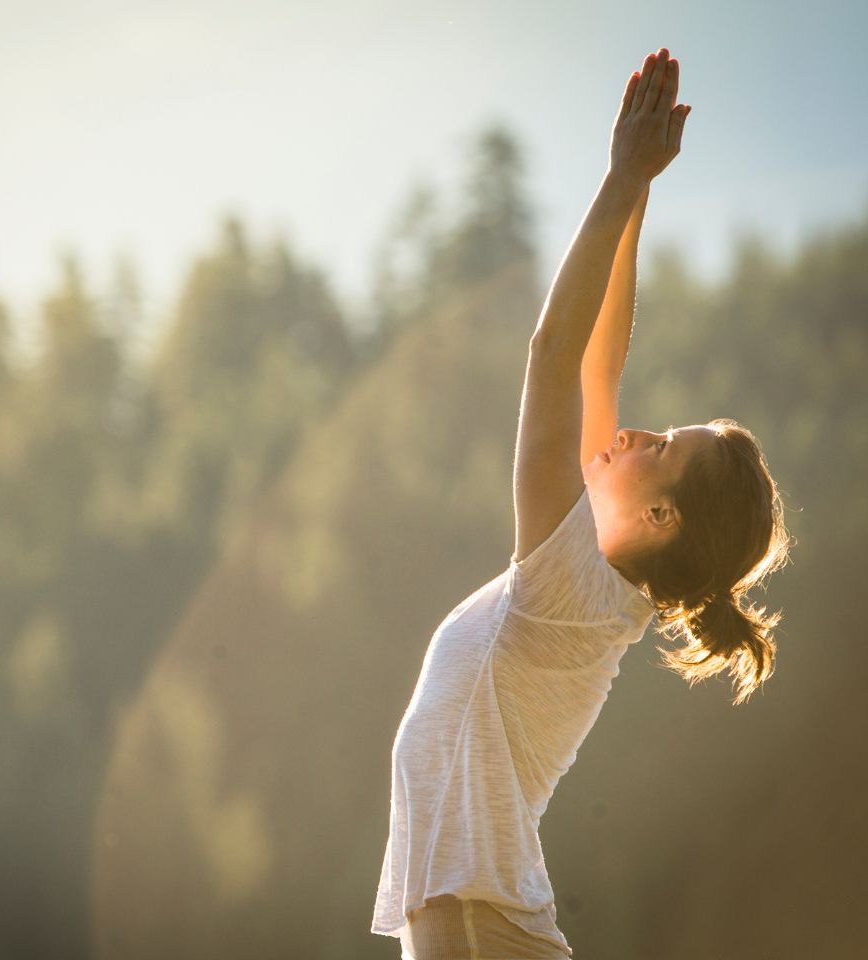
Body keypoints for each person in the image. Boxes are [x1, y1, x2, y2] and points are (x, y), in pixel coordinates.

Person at [370, 48, 792, 959]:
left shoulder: (572, 583)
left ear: (661, 518)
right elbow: (599, 363)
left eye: (664, 449)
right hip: (476, 918)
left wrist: (617, 180)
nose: (639, 431)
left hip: (478, 924)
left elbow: (555, 352)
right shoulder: (593, 580)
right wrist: (636, 199)